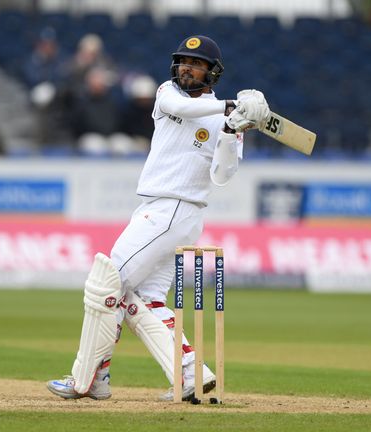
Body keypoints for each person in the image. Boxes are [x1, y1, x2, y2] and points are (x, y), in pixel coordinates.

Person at [46, 35, 270, 401]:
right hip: (161, 210)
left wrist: (232, 129)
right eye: (183, 61)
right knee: (146, 301)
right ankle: (191, 375)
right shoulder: (169, 94)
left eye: (195, 64)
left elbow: (222, 175)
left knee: (107, 284)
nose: (186, 68)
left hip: (175, 210)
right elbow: (180, 108)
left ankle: (86, 379)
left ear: (211, 72)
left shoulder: (223, 119)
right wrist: (231, 106)